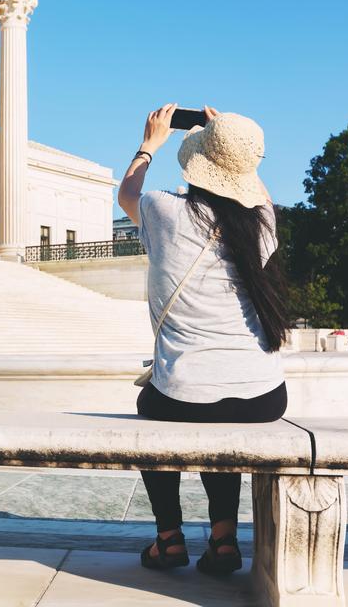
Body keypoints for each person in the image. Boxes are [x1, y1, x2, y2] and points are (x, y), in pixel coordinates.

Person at [117, 103, 290, 576]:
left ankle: (169, 538)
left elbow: (127, 194)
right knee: (224, 411)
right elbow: (262, 200)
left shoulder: (163, 210)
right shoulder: (263, 225)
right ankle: (223, 538)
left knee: (156, 409)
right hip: (264, 396)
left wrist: (148, 145)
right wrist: (235, 150)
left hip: (182, 393)